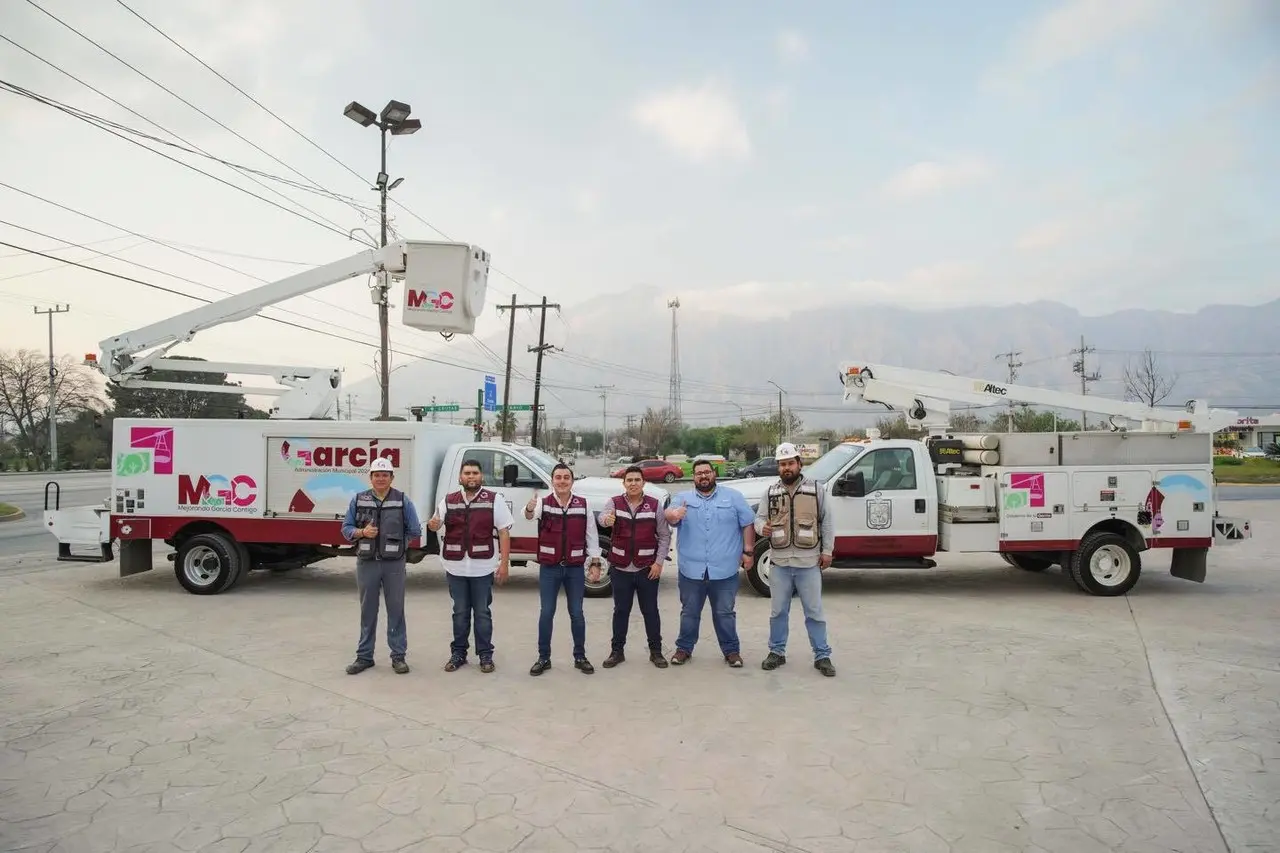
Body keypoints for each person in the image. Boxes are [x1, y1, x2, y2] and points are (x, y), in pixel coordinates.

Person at [663, 459, 755, 667]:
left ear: (714, 473)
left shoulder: (733, 497)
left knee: (725, 612)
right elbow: (669, 515)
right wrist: (673, 514)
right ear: (693, 477)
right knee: (689, 612)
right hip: (691, 570)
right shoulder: (683, 498)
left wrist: (748, 551)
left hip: (724, 570)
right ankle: (684, 649)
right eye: (698, 474)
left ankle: (731, 651)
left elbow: (747, 522)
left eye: (706, 472)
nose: (703, 476)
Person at [755, 443, 836, 677]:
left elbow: (827, 522)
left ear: (799, 464)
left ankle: (822, 655)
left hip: (808, 563)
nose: (786, 468)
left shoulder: (816, 490)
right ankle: (776, 652)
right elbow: (758, 518)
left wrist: (827, 551)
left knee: (814, 612)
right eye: (782, 464)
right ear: (778, 467)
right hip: (779, 564)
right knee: (778, 612)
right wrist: (763, 527)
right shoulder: (770, 492)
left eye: (790, 463)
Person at [427, 459, 513, 674]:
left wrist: (504, 564)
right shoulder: (448, 500)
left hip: (483, 568)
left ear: (481, 476)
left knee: (482, 613)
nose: (471, 476)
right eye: (467, 473)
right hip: (455, 568)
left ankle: (485, 655)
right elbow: (435, 522)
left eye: (475, 473)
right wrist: (433, 524)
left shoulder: (494, 500)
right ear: (460, 477)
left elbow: (504, 532)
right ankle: (458, 653)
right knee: (460, 612)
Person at [340, 456, 423, 675]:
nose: (380, 479)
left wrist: (398, 545)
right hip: (367, 563)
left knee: (396, 610)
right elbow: (346, 528)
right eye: (376, 475)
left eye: (385, 475)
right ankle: (364, 657)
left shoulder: (403, 501)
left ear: (392, 477)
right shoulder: (358, 500)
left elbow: (415, 530)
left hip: (393, 565)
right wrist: (362, 533)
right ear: (371, 477)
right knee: (368, 611)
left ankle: (398, 657)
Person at [524, 463, 602, 675]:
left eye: (566, 477)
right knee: (547, 612)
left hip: (574, 569)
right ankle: (543, 658)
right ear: (552, 481)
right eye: (558, 477)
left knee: (577, 613)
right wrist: (530, 507)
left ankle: (580, 656)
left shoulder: (583, 504)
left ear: (572, 481)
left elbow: (591, 534)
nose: (562, 481)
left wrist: (595, 563)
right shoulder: (543, 503)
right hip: (550, 568)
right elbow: (529, 515)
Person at [598, 466, 672, 669]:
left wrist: (658, 563)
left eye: (636, 480)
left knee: (650, 611)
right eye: (629, 480)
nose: (633, 483)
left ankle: (656, 652)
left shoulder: (654, 505)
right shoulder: (614, 503)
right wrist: (606, 519)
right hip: (620, 568)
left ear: (643, 483)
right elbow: (602, 517)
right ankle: (617, 652)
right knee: (621, 611)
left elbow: (665, 536)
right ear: (624, 484)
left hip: (647, 569)